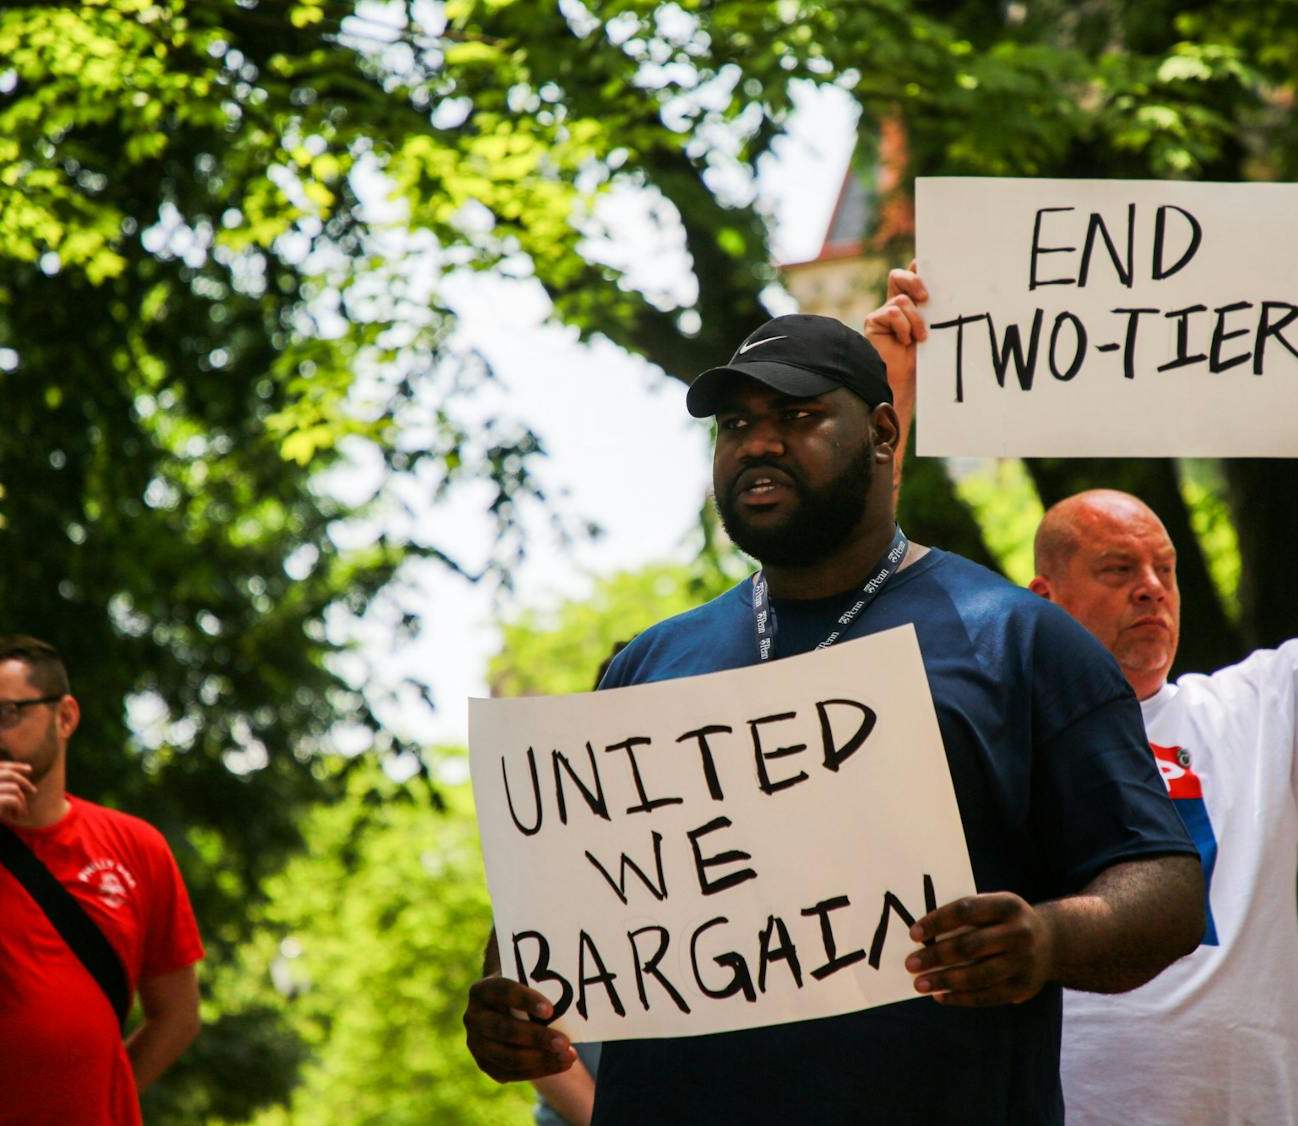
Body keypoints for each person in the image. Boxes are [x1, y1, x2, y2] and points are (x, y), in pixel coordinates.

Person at [465, 312, 1206, 1124]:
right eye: (737, 424)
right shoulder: (648, 665)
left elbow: (1164, 889)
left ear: (884, 433)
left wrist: (1046, 939)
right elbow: (555, 928)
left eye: (798, 416)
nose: (758, 443)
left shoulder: (1019, 643)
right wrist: (513, 1008)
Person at [865, 266, 1298, 1123]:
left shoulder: (1259, 713)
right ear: (1043, 602)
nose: (1152, 588)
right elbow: (856, 604)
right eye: (1116, 569)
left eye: (1165, 569)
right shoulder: (977, 735)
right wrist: (892, 394)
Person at [0, 636, 204, 1124]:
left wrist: (103, 1102)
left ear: (65, 717)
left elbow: (178, 1016)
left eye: (5, 713)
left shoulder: (138, 847)